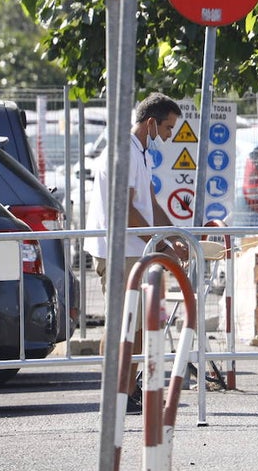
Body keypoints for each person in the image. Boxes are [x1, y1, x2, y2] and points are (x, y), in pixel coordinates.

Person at [82, 92, 186, 414]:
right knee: (120, 328)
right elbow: (126, 212)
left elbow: (150, 203)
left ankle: (127, 392)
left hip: (134, 251)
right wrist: (164, 243)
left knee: (137, 328)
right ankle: (114, 393)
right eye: (167, 128)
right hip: (119, 252)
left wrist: (175, 235)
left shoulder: (139, 152)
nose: (169, 137)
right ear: (151, 122)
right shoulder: (124, 152)